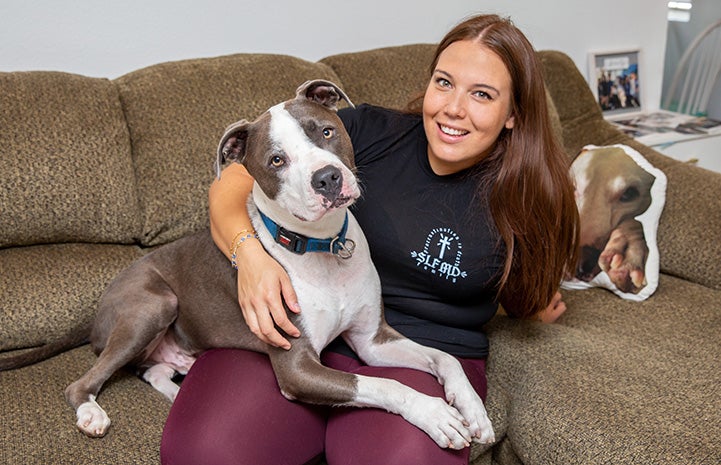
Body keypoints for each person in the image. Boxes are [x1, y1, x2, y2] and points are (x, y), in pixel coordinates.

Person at [160, 13, 579, 465]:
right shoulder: (364, 132)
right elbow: (230, 186)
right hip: (300, 340)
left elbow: (527, 295)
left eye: (481, 94)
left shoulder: (529, 198)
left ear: (514, 112)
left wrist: (536, 301)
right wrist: (251, 258)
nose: (453, 108)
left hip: (417, 355)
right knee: (202, 452)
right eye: (444, 82)